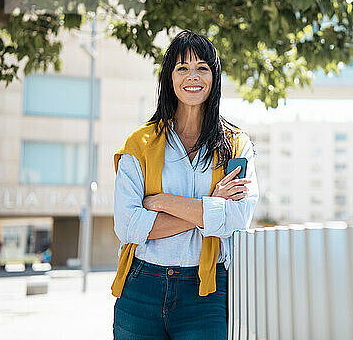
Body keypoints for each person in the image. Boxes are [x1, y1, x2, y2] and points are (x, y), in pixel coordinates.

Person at [111, 30, 259, 340]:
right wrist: (210, 205)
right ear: (169, 78)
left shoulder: (236, 145)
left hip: (206, 292)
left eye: (202, 67)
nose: (193, 76)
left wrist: (161, 200)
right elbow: (128, 226)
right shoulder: (139, 143)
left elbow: (236, 219)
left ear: (214, 77)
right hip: (140, 287)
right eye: (182, 68)